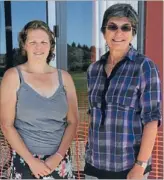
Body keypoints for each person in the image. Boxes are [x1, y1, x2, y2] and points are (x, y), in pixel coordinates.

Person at [84, 3, 161, 179]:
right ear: (104, 32)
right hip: (94, 165)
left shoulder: (144, 67)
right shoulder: (93, 70)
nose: (118, 33)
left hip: (129, 168)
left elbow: (152, 119)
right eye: (112, 27)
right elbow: (93, 116)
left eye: (125, 27)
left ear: (132, 33)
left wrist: (140, 166)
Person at [0, 20, 78, 179]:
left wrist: (57, 156)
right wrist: (31, 161)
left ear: (51, 45)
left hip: (60, 162)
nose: (38, 47)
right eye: (33, 42)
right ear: (24, 45)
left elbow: (73, 121)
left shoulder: (65, 78)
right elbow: (6, 125)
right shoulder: (13, 77)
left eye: (44, 42)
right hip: (26, 162)